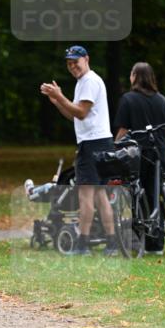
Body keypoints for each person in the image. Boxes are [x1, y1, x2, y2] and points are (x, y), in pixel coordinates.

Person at [40, 45, 117, 256]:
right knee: (100, 194)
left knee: (85, 196)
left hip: (92, 144)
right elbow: (74, 115)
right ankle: (111, 243)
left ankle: (83, 245)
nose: (73, 65)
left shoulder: (89, 81)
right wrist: (57, 101)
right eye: (69, 63)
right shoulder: (84, 82)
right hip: (100, 142)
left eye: (76, 61)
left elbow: (81, 112)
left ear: (87, 59)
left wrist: (60, 95)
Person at [114, 62, 165, 254]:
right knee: (156, 196)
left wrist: (115, 149)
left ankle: (138, 237)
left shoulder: (128, 99)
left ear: (135, 76)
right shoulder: (162, 100)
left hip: (137, 154)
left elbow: (122, 130)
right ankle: (156, 244)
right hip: (158, 153)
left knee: (136, 196)